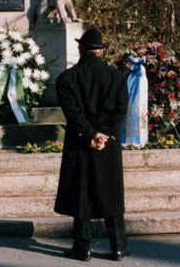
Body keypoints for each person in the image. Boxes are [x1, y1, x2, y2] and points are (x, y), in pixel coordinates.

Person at [54, 28, 129, 261]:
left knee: (81, 192)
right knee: (111, 192)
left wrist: (90, 134)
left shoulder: (66, 78)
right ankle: (117, 247)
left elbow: (73, 114)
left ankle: (82, 246)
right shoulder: (116, 77)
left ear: (81, 49)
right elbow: (119, 111)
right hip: (109, 143)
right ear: (101, 51)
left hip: (80, 140)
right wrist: (103, 134)